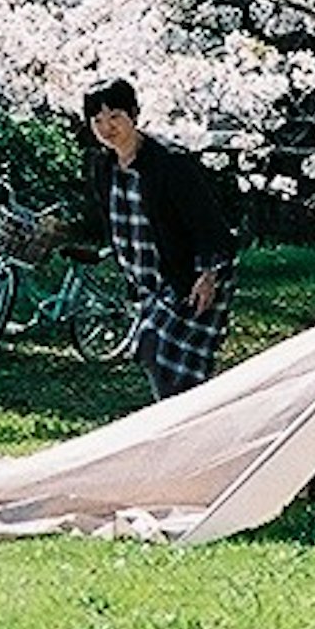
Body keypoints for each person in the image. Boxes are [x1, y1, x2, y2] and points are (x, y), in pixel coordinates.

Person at [78, 79, 239, 401]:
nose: (107, 128)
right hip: (147, 282)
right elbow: (106, 221)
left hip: (190, 275)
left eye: (115, 117)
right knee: (170, 366)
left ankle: (179, 428)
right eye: (97, 121)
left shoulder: (169, 164)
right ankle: (193, 427)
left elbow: (207, 223)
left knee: (155, 349)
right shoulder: (103, 167)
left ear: (134, 114)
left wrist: (207, 275)